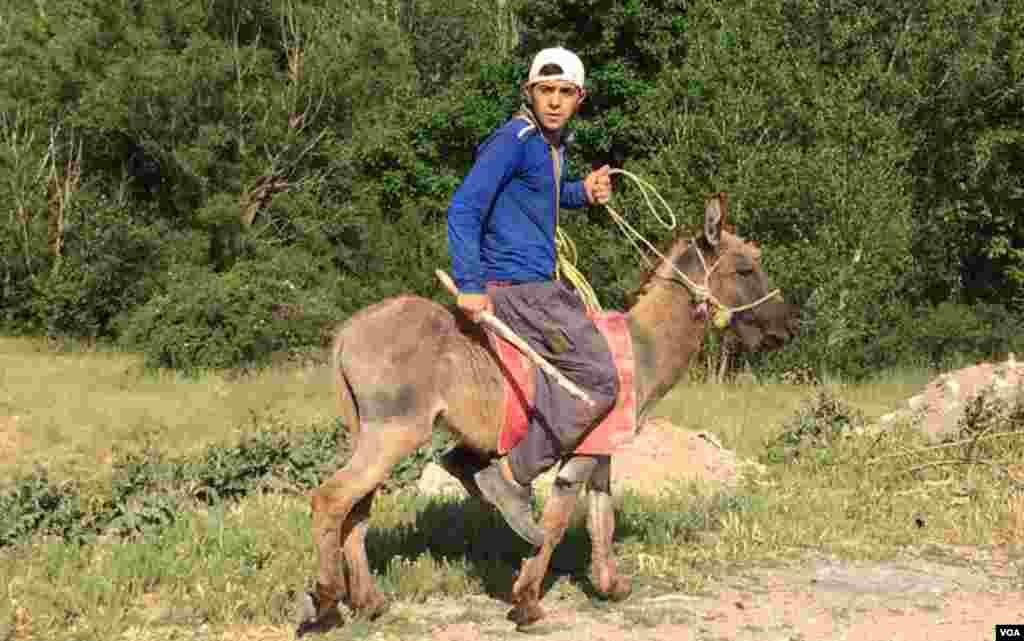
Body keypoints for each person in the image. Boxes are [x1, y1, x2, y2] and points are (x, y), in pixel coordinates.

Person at [447, 47, 619, 546]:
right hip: (521, 290)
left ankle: (476, 459)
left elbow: (538, 193)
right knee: (600, 380)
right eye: (546, 92)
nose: (555, 102)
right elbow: (463, 210)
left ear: (579, 99)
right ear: (530, 93)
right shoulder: (515, 139)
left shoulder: (546, 146)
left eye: (566, 93)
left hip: (538, 285)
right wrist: (472, 284)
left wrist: (579, 192)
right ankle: (512, 476)